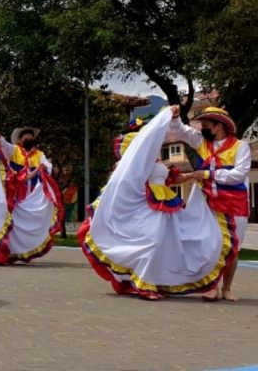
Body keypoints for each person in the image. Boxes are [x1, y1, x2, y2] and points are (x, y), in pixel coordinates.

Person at [79, 110, 230, 300]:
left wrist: (194, 175)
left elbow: (172, 180)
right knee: (152, 242)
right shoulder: (134, 164)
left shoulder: (156, 161)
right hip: (147, 207)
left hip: (165, 207)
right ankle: (144, 284)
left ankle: (157, 281)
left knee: (167, 246)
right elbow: (127, 183)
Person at [166, 105, 252, 302]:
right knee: (209, 245)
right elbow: (181, 131)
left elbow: (239, 175)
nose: (202, 128)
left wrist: (207, 174)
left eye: (206, 125)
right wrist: (176, 117)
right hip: (206, 203)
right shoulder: (201, 142)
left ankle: (227, 288)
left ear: (219, 126)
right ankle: (211, 286)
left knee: (232, 248)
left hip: (234, 203)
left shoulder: (241, 147)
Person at [0, 127, 62, 265]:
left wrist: (44, 168)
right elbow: (4, 146)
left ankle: (12, 252)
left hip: (30, 195)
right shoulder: (14, 151)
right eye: (26, 138)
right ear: (20, 140)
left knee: (21, 224)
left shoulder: (39, 155)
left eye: (31, 138)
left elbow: (45, 167)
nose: (29, 140)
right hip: (12, 195)